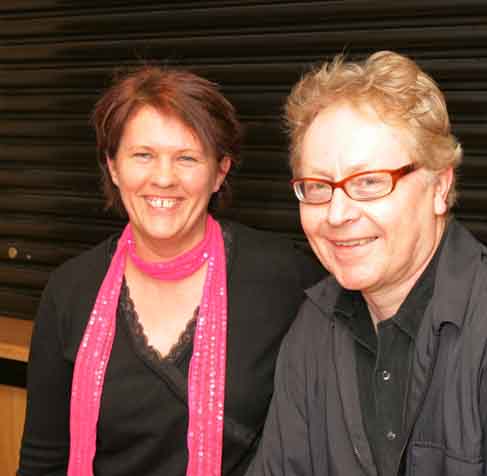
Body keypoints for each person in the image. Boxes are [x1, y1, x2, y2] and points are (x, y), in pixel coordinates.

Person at [247, 51, 487, 476]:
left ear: (439, 186)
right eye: (318, 187)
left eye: (370, 182)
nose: (337, 214)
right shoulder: (314, 326)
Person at [18, 66, 324, 476]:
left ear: (220, 172)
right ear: (113, 167)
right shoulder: (70, 290)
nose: (163, 178)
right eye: (143, 155)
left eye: (187, 158)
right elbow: (43, 461)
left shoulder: (284, 280)